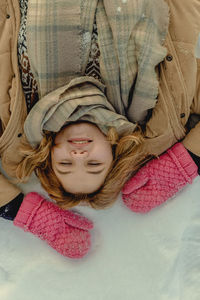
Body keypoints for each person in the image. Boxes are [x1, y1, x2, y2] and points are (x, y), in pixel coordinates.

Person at [0, 0, 199, 258]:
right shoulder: (160, 109)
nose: (79, 157)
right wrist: (188, 160)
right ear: (113, 152)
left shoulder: (14, 121)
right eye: (94, 165)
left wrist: (20, 210)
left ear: (48, 154)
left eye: (65, 165)